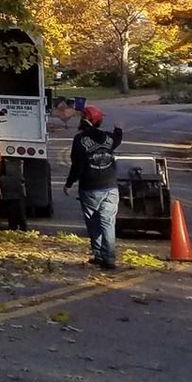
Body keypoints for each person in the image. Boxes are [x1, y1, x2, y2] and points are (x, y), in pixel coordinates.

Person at [64, 104, 124, 268]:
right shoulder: (108, 138)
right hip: (111, 186)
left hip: (90, 187)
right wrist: (118, 129)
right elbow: (117, 139)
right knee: (108, 222)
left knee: (93, 222)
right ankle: (109, 258)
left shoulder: (79, 140)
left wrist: (69, 183)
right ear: (98, 120)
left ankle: (98, 254)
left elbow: (77, 165)